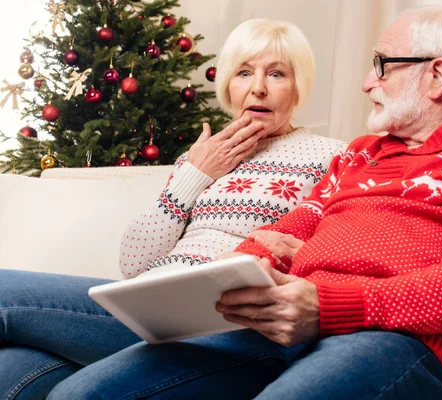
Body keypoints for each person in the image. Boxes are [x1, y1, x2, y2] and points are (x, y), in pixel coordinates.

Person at [12, 7, 442, 400]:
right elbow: (288, 231)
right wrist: (248, 270)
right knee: (83, 393)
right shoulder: (361, 156)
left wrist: (330, 306)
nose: (367, 83)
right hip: (276, 324)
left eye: (382, 65)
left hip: (397, 338)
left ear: (436, 75)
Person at [0, 19, 345, 399]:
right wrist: (195, 173)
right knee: (12, 368)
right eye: (244, 73)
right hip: (148, 303)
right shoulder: (200, 156)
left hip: (221, 317)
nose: (258, 87)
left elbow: (328, 257)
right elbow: (134, 260)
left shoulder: (332, 156)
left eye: (276, 73)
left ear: (298, 88)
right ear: (229, 85)